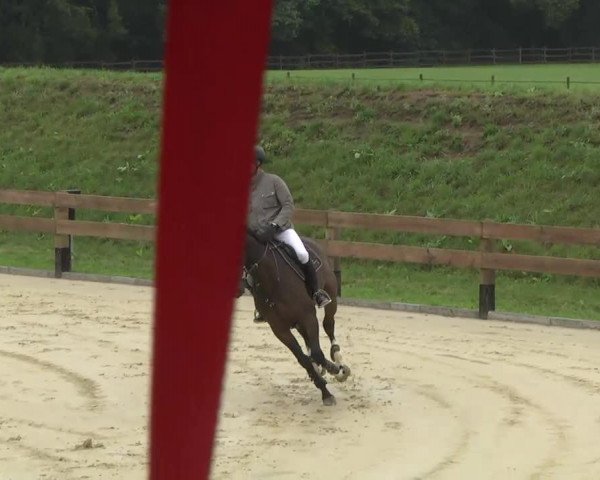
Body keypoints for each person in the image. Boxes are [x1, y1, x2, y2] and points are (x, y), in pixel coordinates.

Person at [246, 145, 331, 322]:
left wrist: (275, 225)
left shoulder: (274, 181)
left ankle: (316, 293)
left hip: (280, 231)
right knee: (248, 267)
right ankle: (261, 306)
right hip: (257, 236)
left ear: (258, 164)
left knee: (301, 253)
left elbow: (288, 205)